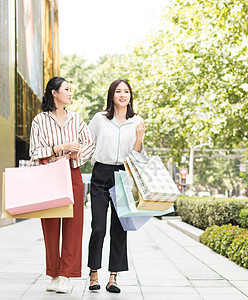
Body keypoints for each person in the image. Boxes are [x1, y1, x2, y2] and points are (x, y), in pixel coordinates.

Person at [29, 76, 94, 293]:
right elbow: (35, 151)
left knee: (73, 225)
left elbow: (89, 144)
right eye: (66, 89)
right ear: (54, 93)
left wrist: (70, 158)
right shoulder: (39, 120)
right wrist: (59, 149)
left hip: (72, 173)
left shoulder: (76, 119)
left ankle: (66, 274)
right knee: (50, 225)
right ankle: (54, 273)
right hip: (48, 175)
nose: (70, 92)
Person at [87, 79, 147, 293]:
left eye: (126, 91)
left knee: (119, 229)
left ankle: (113, 277)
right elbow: (86, 142)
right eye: (118, 91)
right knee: (99, 227)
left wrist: (139, 137)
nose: (123, 95)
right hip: (101, 173)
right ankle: (94, 272)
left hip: (123, 174)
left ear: (131, 96)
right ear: (112, 95)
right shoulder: (99, 119)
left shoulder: (137, 121)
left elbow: (137, 155)